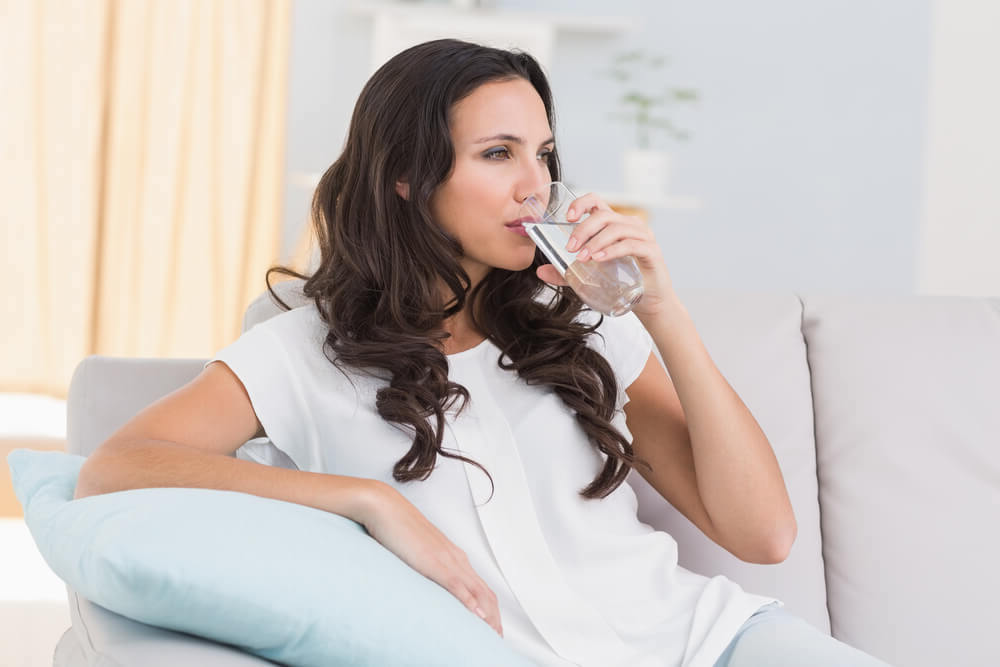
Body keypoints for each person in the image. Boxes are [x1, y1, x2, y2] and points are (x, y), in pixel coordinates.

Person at [75, 39, 891, 667]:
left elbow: (764, 534)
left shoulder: (584, 322)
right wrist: (367, 499)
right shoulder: (303, 349)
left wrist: (664, 311)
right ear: (405, 175)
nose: (534, 184)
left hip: (703, 644)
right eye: (498, 153)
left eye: (541, 154)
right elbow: (115, 464)